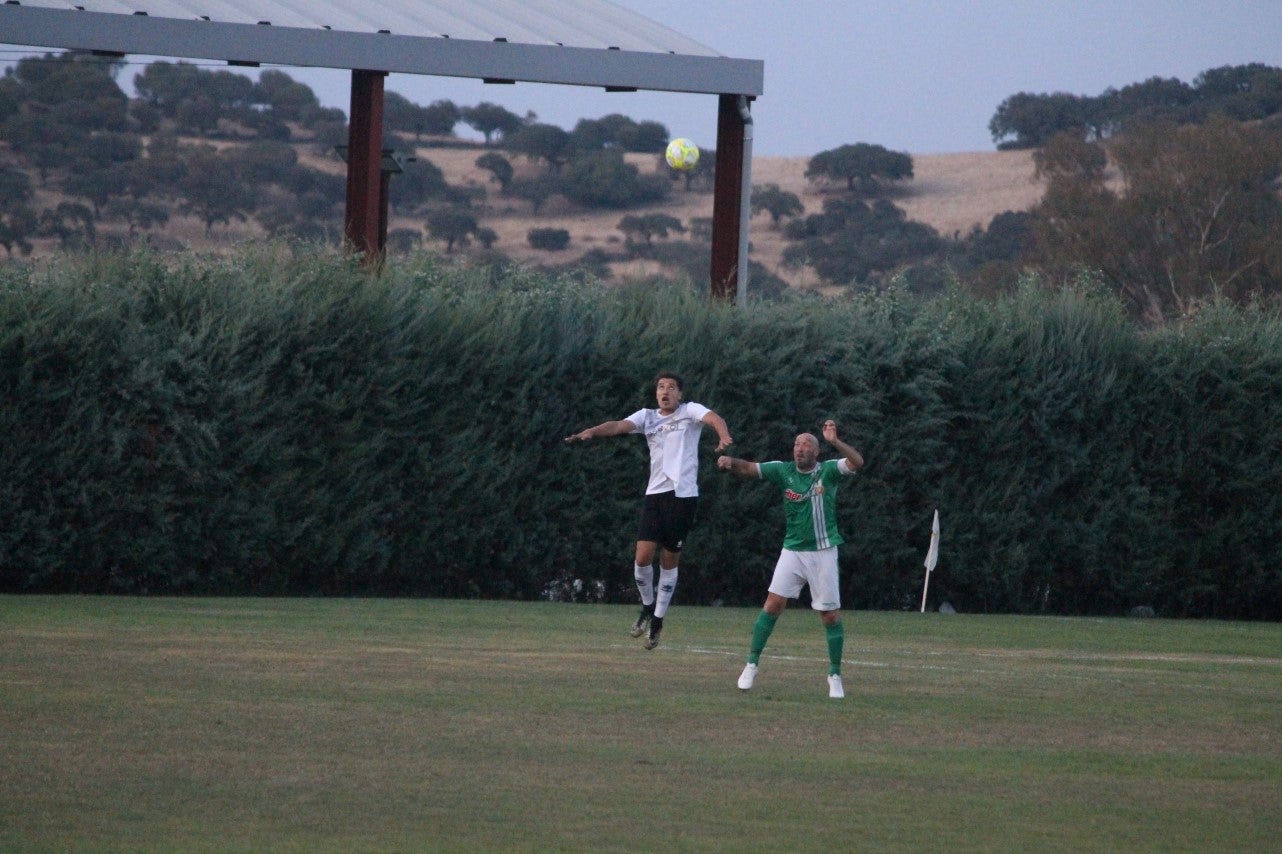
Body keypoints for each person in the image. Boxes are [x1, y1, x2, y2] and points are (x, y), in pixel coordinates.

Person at [565, 372, 733, 650]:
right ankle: (647, 606)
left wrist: (723, 435)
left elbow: (713, 417)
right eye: (660, 387)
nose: (664, 391)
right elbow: (618, 425)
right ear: (656, 393)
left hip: (683, 497)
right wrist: (592, 432)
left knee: (669, 559)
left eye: (671, 387)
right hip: (655, 495)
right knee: (642, 557)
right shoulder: (647, 417)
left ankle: (657, 621)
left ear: (679, 394)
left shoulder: (689, 411)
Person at [716, 419, 864, 698]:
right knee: (772, 605)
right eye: (797, 443)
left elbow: (857, 462)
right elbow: (750, 468)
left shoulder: (828, 471)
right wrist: (729, 461)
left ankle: (834, 674)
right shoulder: (783, 471)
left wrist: (835, 441)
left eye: (807, 444)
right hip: (793, 551)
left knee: (830, 616)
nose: (800, 448)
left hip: (823, 552)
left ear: (817, 452)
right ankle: (751, 664)